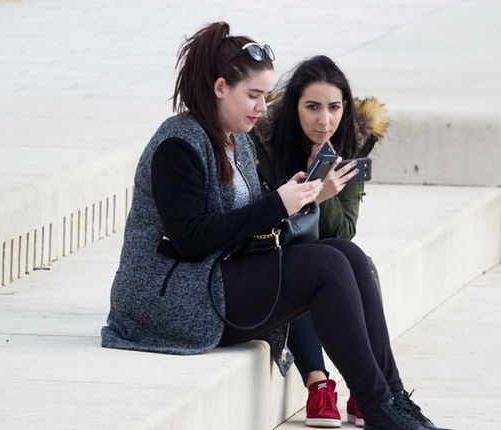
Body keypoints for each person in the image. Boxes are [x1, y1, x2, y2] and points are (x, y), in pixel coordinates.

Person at [100, 21, 449, 430]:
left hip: (211, 280)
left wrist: (290, 206)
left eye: (265, 96)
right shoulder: (178, 144)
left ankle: (392, 398)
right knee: (325, 268)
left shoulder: (236, 139)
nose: (263, 107)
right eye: (253, 95)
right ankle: (379, 409)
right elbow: (190, 238)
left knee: (346, 254)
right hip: (168, 299)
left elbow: (246, 230)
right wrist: (276, 205)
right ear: (219, 89)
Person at [251, 55, 389, 428]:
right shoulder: (261, 144)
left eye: (334, 107)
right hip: (269, 260)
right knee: (307, 265)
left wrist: (325, 188)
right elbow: (262, 228)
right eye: (312, 107)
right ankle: (318, 383)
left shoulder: (352, 144)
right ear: (294, 106)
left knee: (354, 260)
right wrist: (314, 194)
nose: (324, 120)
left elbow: (343, 232)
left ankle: (367, 389)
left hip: (325, 255)